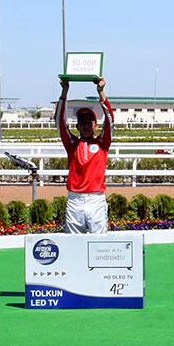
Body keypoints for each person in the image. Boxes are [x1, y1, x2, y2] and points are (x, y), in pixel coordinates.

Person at [57, 78, 114, 234]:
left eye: (90, 122)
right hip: (74, 200)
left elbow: (110, 121)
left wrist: (101, 92)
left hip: (96, 199)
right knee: (74, 245)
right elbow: (60, 123)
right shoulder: (72, 144)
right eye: (83, 122)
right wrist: (64, 92)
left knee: (99, 244)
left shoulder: (103, 143)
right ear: (77, 126)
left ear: (96, 126)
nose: (86, 125)